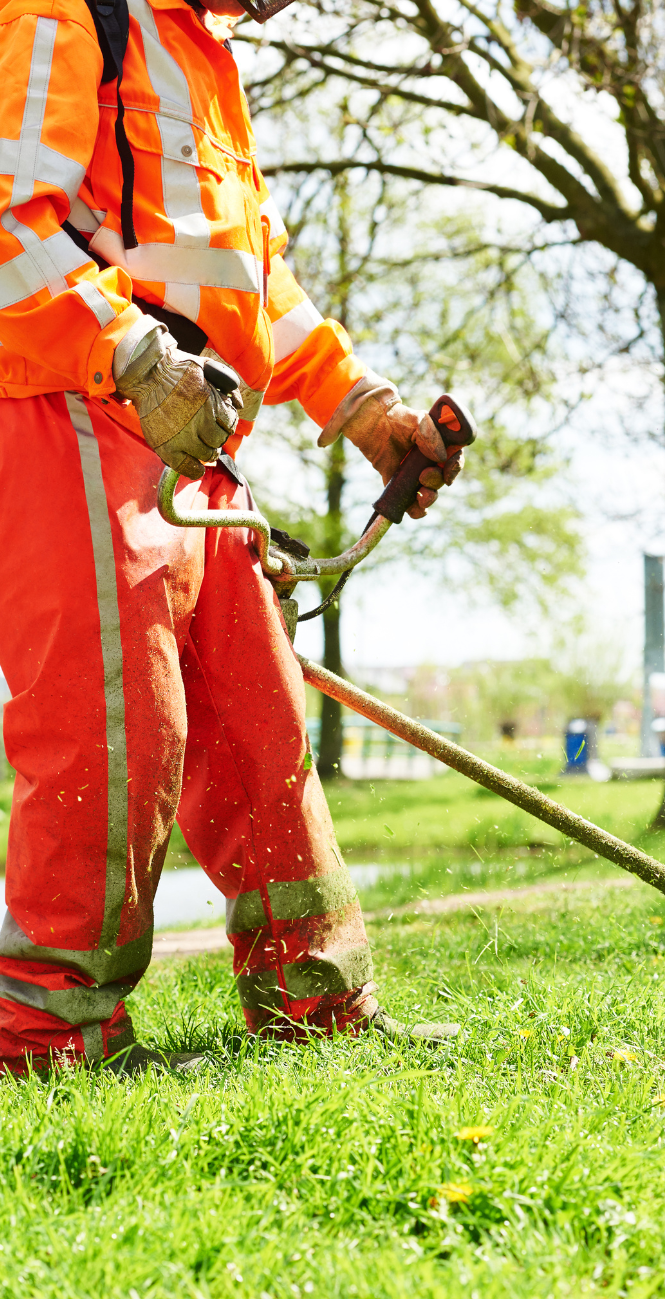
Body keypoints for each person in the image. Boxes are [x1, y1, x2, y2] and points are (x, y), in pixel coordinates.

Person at [0, 0, 462, 1073]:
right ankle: (45, 1035)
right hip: (71, 400)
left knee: (256, 716)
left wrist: (361, 406)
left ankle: (314, 999)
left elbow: (251, 281)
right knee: (115, 725)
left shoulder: (201, 55)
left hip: (184, 425)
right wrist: (129, 354)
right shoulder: (66, 12)